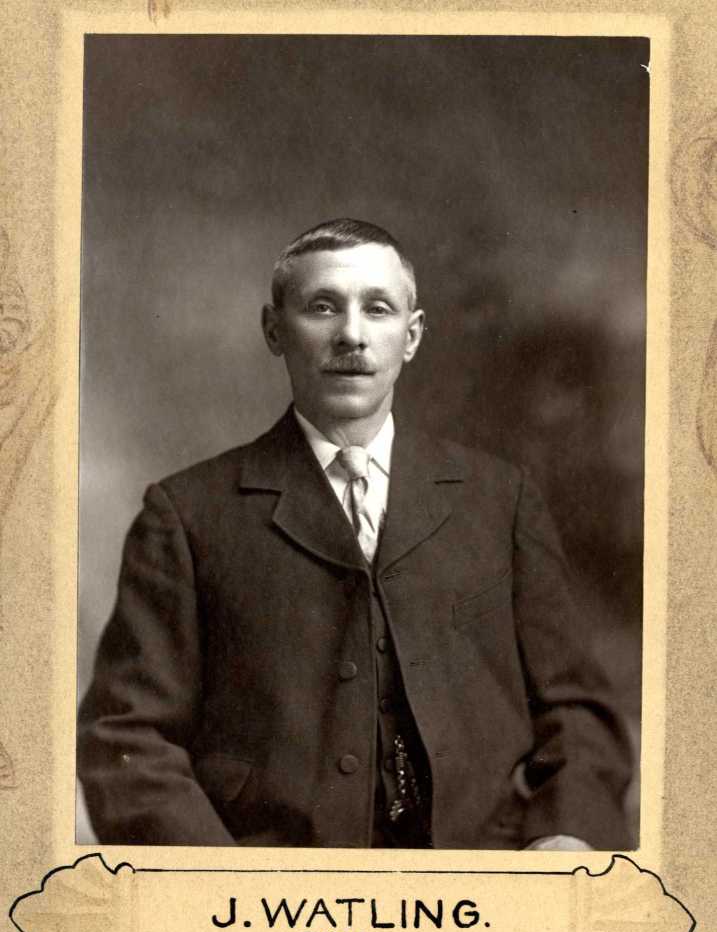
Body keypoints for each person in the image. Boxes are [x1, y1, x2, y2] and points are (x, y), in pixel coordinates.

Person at [77, 218, 633, 850]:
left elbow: (576, 712)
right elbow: (127, 738)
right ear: (274, 330)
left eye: (377, 308)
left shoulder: (498, 500)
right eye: (322, 307)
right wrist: (222, 881)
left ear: (411, 335)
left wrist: (566, 833)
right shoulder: (188, 514)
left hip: (482, 877)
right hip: (276, 889)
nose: (351, 334)